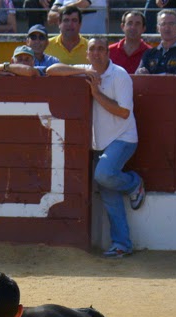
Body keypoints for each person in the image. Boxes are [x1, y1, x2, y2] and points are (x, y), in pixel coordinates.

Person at [49, 37, 144, 258]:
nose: (97, 53)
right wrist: (80, 71)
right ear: (87, 54)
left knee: (103, 175)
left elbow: (124, 112)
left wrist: (96, 94)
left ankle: (134, 183)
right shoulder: (86, 71)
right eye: (92, 49)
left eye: (101, 49)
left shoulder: (119, 75)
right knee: (110, 196)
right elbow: (52, 70)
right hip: (100, 143)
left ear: (108, 53)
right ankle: (121, 244)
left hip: (123, 138)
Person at [136, 9, 176, 75]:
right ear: (158, 28)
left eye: (171, 24)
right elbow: (138, 76)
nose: (167, 28)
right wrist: (141, 72)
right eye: (163, 24)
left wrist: (151, 76)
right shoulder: (149, 53)